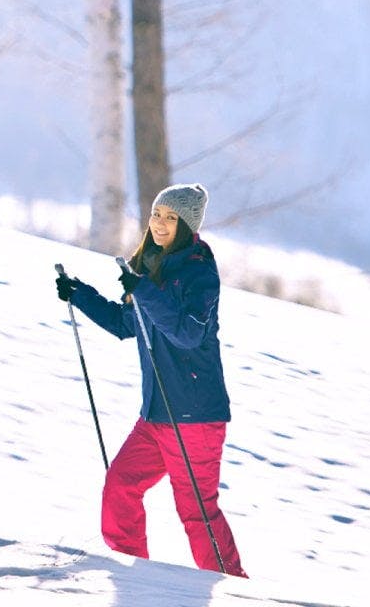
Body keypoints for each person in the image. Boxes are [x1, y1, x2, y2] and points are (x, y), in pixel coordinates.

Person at [54, 183, 248, 577]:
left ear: (187, 224)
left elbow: (187, 332)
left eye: (170, 218)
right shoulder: (151, 265)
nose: (159, 224)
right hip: (156, 415)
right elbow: (127, 324)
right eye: (157, 215)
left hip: (196, 416)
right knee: (121, 486)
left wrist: (143, 291)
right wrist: (81, 295)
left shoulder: (199, 272)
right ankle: (135, 577)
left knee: (197, 512)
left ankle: (234, 591)